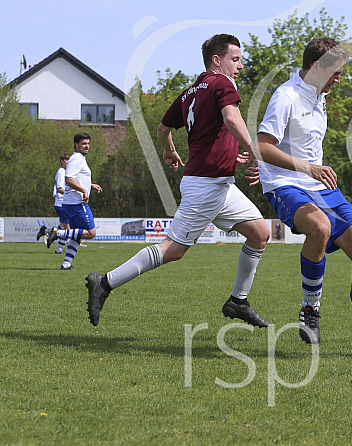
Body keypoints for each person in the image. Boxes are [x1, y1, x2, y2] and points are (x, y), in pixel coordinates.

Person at [84, 33, 271, 328]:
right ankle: (105, 282)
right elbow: (232, 119)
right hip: (206, 184)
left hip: (217, 183)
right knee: (173, 249)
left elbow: (162, 128)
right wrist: (254, 150)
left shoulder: (190, 92)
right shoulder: (222, 83)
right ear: (216, 60)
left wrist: (170, 148)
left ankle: (238, 301)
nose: (240, 66)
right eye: (235, 59)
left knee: (260, 233)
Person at [255, 37, 352, 358]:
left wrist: (312, 170)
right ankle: (310, 309)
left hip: (320, 187)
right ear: (316, 67)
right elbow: (262, 145)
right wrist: (308, 168)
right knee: (318, 227)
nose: (340, 78)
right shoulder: (286, 96)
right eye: (336, 72)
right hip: (285, 185)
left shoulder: (319, 96)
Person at [46, 133, 102, 270]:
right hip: (76, 204)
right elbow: (69, 179)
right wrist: (84, 190)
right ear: (76, 145)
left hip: (70, 203)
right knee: (91, 232)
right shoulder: (76, 158)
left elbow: (77, 177)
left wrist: (90, 185)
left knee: (78, 236)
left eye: (88, 143)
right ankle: (57, 233)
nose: (87, 146)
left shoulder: (80, 158)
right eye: (84, 143)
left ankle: (66, 264)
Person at [37, 153, 71, 253]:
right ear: (61, 161)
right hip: (62, 204)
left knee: (64, 227)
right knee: (67, 230)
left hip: (62, 203)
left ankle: (46, 231)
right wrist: (71, 194)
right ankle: (59, 249)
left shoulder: (65, 172)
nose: (68, 163)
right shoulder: (61, 172)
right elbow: (60, 189)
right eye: (66, 160)